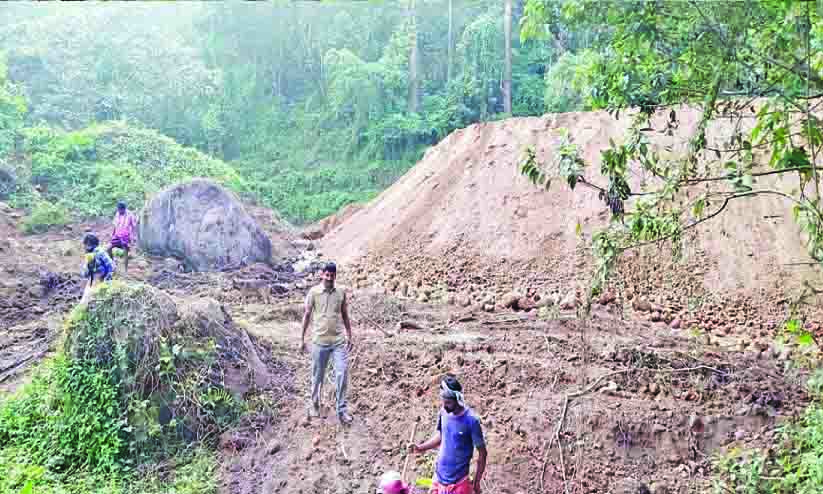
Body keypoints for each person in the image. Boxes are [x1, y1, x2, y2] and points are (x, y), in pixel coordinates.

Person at [411, 376, 488, 494]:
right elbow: (442, 436)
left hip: (458, 484)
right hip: (439, 478)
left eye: (448, 402)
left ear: (457, 399)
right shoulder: (443, 412)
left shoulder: (471, 421)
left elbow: (482, 453)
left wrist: (476, 482)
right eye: (443, 401)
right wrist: (421, 448)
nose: (444, 405)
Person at [301, 262, 354, 425]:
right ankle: (315, 405)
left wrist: (350, 335)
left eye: (332, 275)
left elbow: (345, 314)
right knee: (317, 376)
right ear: (322, 275)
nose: (329, 278)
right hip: (319, 342)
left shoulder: (341, 293)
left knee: (342, 373)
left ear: (335, 276)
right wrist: (301, 338)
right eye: (327, 275)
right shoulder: (314, 293)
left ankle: (341, 410)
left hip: (338, 341)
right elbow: (307, 315)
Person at [81, 233, 116, 304]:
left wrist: (107, 279)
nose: (84, 247)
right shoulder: (88, 255)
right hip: (92, 280)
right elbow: (84, 273)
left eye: (86, 245)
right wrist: (88, 266)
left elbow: (112, 266)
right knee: (85, 302)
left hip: (101, 280)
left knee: (95, 301)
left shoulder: (100, 252)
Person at [108, 200, 137, 273]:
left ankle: (125, 270)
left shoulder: (130, 215)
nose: (120, 211)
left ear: (124, 209)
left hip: (125, 236)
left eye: (121, 210)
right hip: (117, 236)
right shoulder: (117, 214)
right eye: (119, 209)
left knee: (125, 252)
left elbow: (134, 227)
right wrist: (112, 235)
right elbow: (115, 225)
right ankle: (113, 265)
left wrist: (133, 238)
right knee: (108, 249)